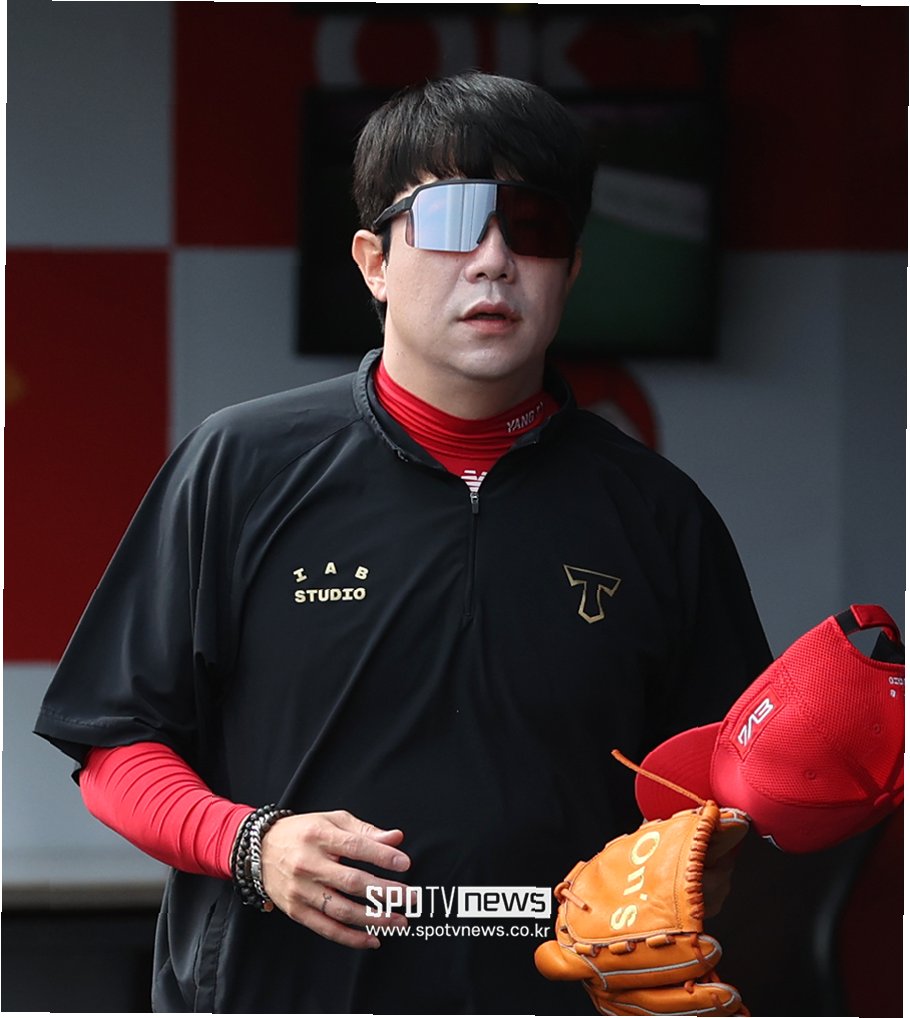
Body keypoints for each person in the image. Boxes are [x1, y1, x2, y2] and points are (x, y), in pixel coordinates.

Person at [35, 71, 772, 1014]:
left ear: (572, 270)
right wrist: (253, 844)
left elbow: (721, 790)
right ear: (373, 261)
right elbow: (115, 747)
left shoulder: (659, 512)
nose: (494, 259)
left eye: (534, 227)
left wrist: (709, 860)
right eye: (454, 220)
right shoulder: (242, 464)